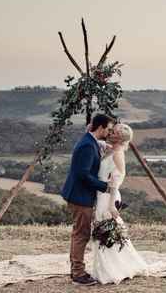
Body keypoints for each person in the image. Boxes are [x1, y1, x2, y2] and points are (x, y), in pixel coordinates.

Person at [60, 114, 119, 286]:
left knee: (79, 233)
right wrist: (105, 187)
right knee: (81, 234)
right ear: (100, 127)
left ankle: (75, 269)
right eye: (108, 129)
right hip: (80, 196)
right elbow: (83, 175)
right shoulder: (87, 145)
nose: (109, 132)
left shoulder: (90, 140)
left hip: (81, 194)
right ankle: (78, 273)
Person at [89, 122, 149, 284]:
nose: (110, 132)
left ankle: (112, 270)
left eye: (113, 132)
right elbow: (98, 143)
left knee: (106, 231)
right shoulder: (112, 149)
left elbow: (117, 179)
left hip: (109, 196)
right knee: (103, 230)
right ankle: (106, 267)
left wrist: (110, 205)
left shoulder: (118, 154)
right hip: (102, 194)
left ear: (119, 138)